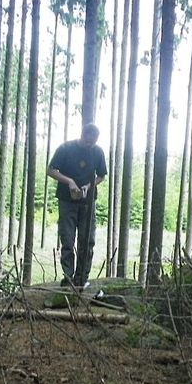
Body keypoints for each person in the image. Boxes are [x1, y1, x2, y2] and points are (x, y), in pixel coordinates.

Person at [47, 123, 107, 288]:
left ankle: (82, 279)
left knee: (87, 241)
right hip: (67, 202)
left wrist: (90, 185)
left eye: (94, 142)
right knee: (67, 239)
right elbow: (50, 170)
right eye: (88, 141)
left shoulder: (98, 152)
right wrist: (70, 182)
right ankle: (68, 278)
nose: (91, 145)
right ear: (82, 135)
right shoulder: (66, 149)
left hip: (88, 203)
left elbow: (101, 175)